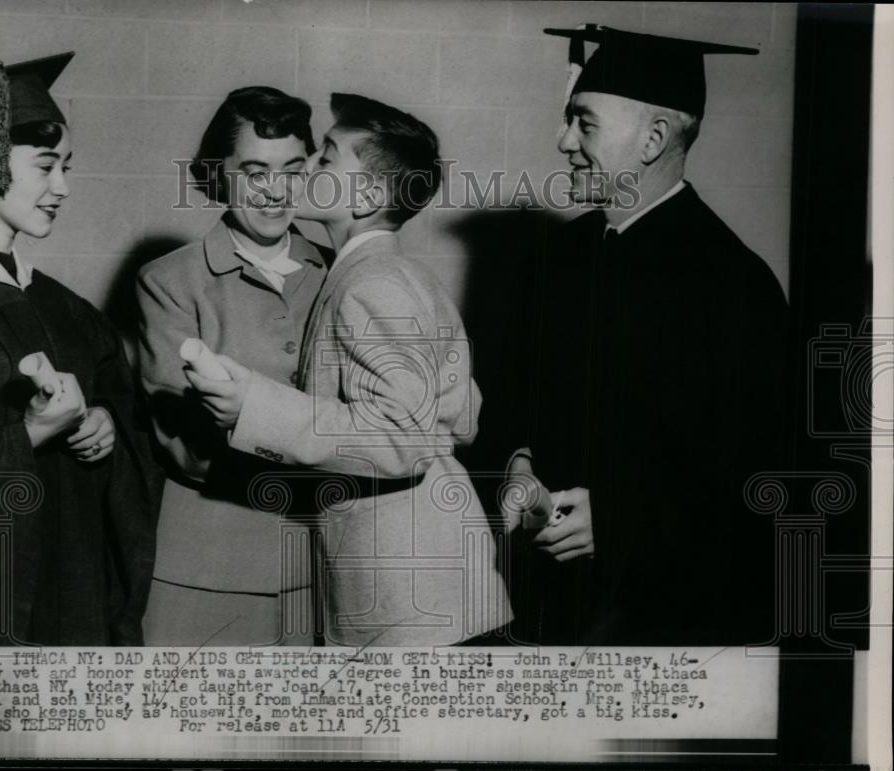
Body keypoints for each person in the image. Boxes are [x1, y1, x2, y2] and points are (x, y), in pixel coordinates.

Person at [181, 93, 513, 646]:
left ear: (365, 196)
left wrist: (255, 409)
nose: (306, 166)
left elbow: (403, 438)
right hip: (430, 592)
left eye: (326, 159)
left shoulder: (373, 283)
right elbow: (462, 415)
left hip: (410, 601)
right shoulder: (392, 273)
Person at [498, 26, 790, 645]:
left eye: (585, 123)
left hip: (663, 611)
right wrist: (519, 463)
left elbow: (759, 475)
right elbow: (521, 391)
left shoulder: (734, 283)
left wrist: (622, 522)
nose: (562, 142)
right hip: (549, 599)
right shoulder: (564, 255)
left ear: (654, 138)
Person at [0, 53, 158, 646]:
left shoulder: (66, 308)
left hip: (75, 578)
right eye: (46, 166)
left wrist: (105, 424)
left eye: (66, 167)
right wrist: (27, 435)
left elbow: (125, 414)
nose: (63, 187)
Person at [136, 87, 327, 645]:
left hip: (324, 567)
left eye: (293, 170)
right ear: (218, 174)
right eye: (254, 172)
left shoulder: (338, 271)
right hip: (207, 573)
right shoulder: (169, 280)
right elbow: (185, 446)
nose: (275, 191)